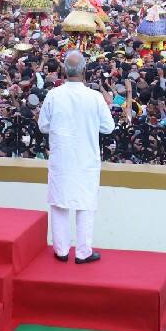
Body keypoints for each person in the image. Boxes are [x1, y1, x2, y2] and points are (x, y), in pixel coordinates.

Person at [37, 51, 115, 264]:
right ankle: (83, 251)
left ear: (64, 70)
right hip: (86, 158)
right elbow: (108, 127)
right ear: (84, 70)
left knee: (59, 203)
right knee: (85, 205)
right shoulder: (95, 97)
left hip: (62, 157)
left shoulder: (54, 95)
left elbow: (43, 126)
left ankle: (61, 250)